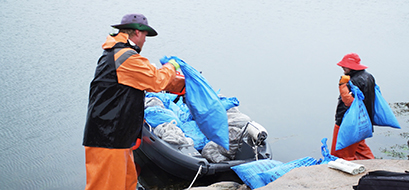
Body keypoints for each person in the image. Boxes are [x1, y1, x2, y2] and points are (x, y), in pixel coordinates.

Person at [82, 13, 183, 190]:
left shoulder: (120, 54)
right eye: (145, 36)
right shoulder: (125, 57)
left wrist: (181, 83)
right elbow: (156, 80)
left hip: (118, 137)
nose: (145, 40)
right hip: (107, 138)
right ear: (137, 33)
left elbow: (149, 79)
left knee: (127, 183)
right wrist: (171, 67)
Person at [330, 53, 375, 160]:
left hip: (348, 123)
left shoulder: (352, 81)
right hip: (364, 121)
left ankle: (342, 175)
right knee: (361, 149)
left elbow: (348, 102)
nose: (342, 67)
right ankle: (374, 166)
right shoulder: (369, 77)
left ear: (350, 67)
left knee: (341, 154)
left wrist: (342, 85)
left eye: (344, 66)